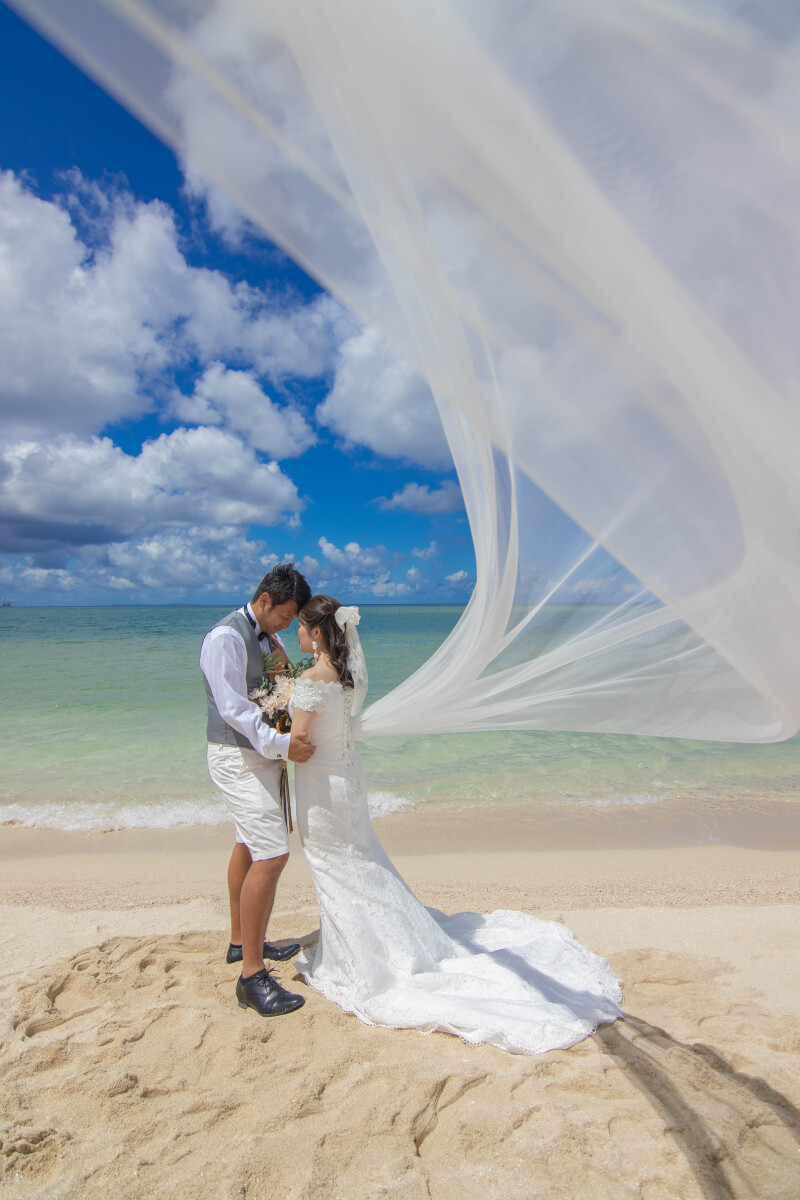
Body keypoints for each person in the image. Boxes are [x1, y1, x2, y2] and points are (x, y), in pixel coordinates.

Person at [288, 595, 623, 1054]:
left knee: (335, 867)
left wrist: (269, 741)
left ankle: (361, 960)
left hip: (323, 790)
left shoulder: (310, 680)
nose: (297, 635)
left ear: (319, 633)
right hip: (348, 780)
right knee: (360, 862)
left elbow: (301, 742)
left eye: (302, 628)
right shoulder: (345, 678)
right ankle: (384, 941)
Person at [200, 563, 314, 1019]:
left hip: (261, 755)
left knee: (248, 844)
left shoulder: (270, 637)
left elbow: (280, 686)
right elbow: (233, 710)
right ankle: (250, 976)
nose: (288, 624)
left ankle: (239, 942)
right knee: (272, 853)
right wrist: (283, 742)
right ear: (265, 600)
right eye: (286, 615)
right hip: (236, 756)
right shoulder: (224, 638)